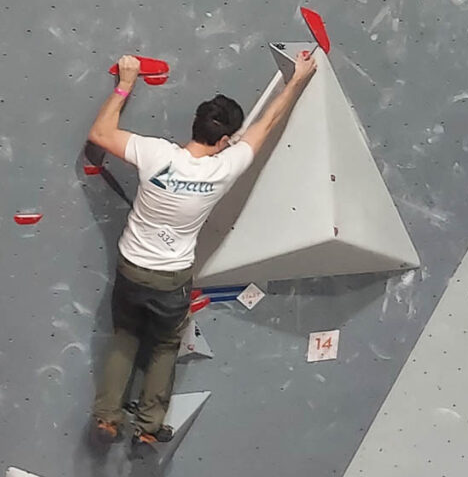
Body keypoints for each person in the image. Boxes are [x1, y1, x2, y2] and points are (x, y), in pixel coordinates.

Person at [87, 50, 317, 446]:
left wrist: (126, 83)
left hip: (131, 268)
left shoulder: (156, 154)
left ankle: (108, 416)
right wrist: (297, 78)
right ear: (225, 140)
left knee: (125, 335)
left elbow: (101, 134)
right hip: (171, 277)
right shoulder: (224, 169)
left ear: (194, 125)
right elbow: (269, 123)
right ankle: (149, 425)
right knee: (163, 345)